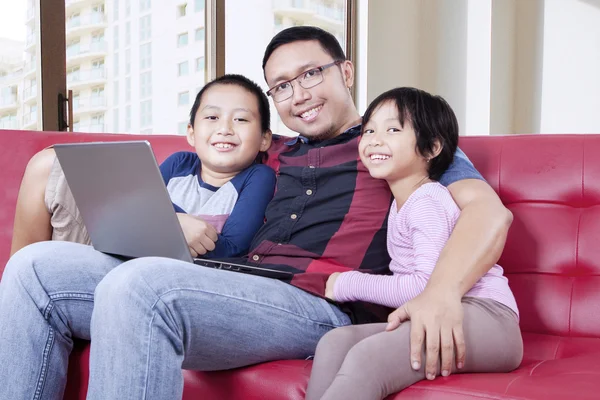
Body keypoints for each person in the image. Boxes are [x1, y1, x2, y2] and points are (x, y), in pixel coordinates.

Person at [0, 27, 513, 399]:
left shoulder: (393, 142)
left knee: (141, 285)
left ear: (346, 72)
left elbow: (489, 216)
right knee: (33, 269)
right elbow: (205, 152)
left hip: (318, 305)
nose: (298, 94)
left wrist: (441, 294)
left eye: (311, 74)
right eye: (282, 86)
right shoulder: (272, 152)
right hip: (229, 285)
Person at [305, 87, 522, 400]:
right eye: (369, 130)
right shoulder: (401, 202)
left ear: (432, 147)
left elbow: (426, 288)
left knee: (369, 358)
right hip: (446, 313)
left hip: (487, 319)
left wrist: (347, 283)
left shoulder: (427, 201)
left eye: (393, 129)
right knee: (335, 342)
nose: (375, 140)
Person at [10, 74, 276, 259]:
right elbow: (137, 211)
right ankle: (14, 289)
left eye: (241, 119)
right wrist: (174, 224)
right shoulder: (180, 163)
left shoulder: (258, 176)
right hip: (121, 254)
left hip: (170, 278)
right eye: (212, 117)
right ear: (192, 133)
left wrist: (166, 223)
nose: (225, 129)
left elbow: (233, 249)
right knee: (46, 164)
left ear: (265, 138)